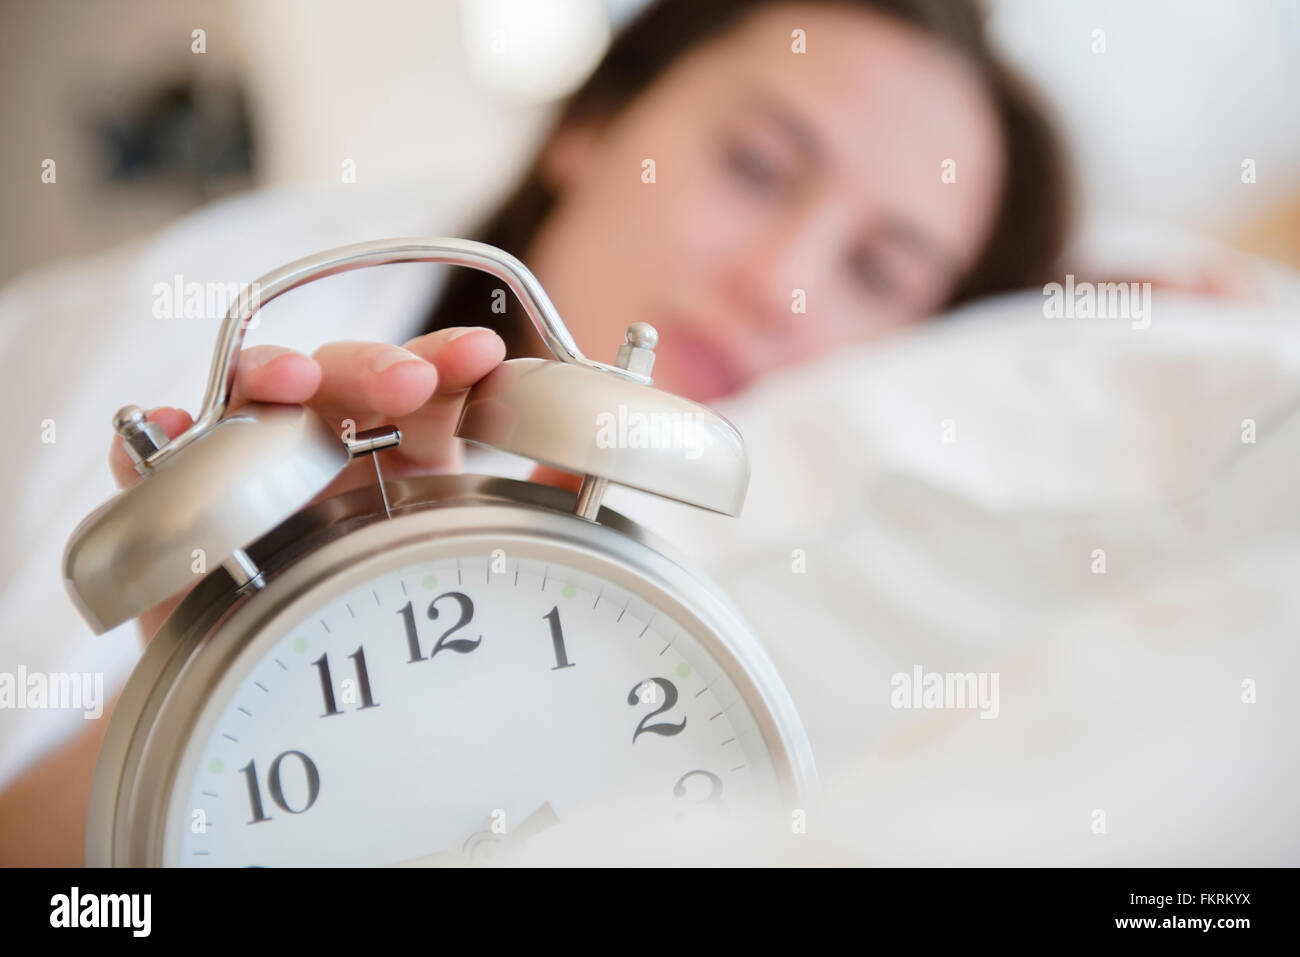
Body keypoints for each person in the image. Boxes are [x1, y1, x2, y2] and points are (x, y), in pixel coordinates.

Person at [0, 0, 1070, 865]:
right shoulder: (242, 306)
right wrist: (210, 672)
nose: (782, 287)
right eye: (754, 165)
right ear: (590, 124)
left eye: (879, 272)